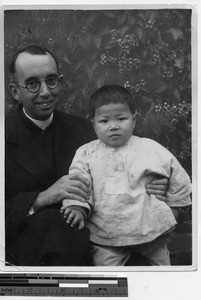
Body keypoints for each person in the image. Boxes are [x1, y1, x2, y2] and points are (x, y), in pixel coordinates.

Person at [5, 45, 168, 266]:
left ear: (60, 82)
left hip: (95, 249)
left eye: (51, 81)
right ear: (15, 91)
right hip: (28, 257)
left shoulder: (87, 130)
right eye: (33, 84)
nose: (45, 92)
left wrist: (152, 183)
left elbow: (124, 165)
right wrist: (41, 198)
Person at [61, 85, 192, 266]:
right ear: (93, 124)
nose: (113, 126)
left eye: (121, 119)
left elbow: (177, 176)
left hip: (149, 228)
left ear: (134, 120)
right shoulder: (86, 153)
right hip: (107, 232)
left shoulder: (150, 148)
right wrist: (77, 207)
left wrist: (174, 207)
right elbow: (78, 182)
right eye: (104, 121)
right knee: (106, 272)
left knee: (163, 270)